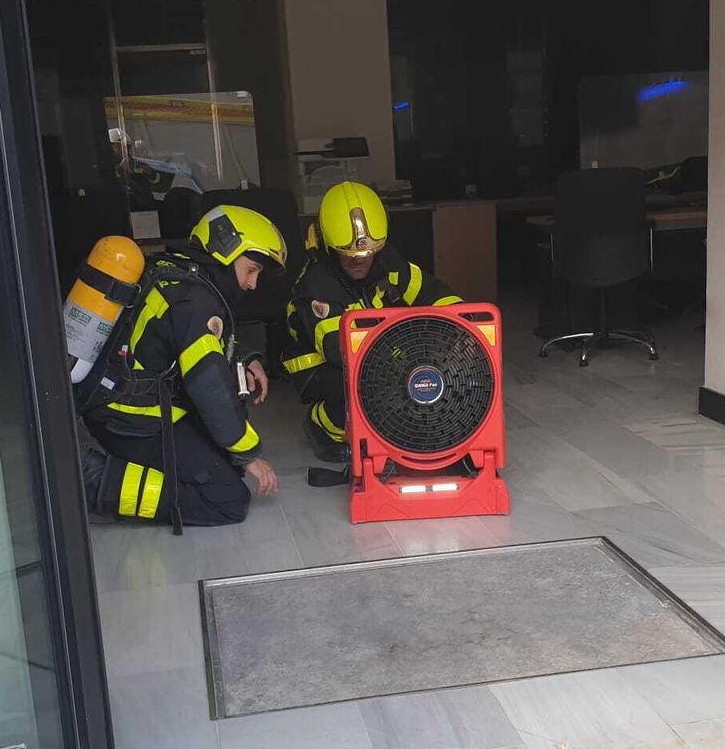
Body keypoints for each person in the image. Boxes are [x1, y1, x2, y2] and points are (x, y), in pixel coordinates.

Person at [79, 206, 284, 529]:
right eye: (251, 269)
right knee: (227, 499)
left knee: (224, 466)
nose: (252, 284)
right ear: (226, 252)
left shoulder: (178, 276)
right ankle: (95, 482)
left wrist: (246, 358)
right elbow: (210, 390)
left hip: (118, 404)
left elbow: (189, 338)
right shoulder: (196, 303)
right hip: (131, 420)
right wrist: (249, 454)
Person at [282, 181, 462, 462]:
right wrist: (407, 358)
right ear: (330, 246)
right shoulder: (316, 284)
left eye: (368, 253)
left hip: (379, 350)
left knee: (418, 380)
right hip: (321, 368)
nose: (360, 261)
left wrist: (460, 326)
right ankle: (321, 422)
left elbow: (430, 291)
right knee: (366, 388)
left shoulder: (386, 260)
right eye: (350, 255)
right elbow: (337, 349)